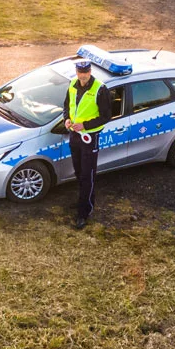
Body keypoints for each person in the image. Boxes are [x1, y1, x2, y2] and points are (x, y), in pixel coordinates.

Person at [62, 59, 112, 229]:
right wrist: (67, 119)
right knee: (78, 172)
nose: (82, 75)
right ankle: (84, 201)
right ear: (77, 72)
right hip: (75, 136)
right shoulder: (72, 84)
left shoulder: (100, 89)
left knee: (87, 175)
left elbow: (106, 116)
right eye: (80, 72)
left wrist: (85, 125)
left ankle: (84, 212)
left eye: (86, 72)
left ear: (90, 72)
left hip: (89, 138)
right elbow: (66, 106)